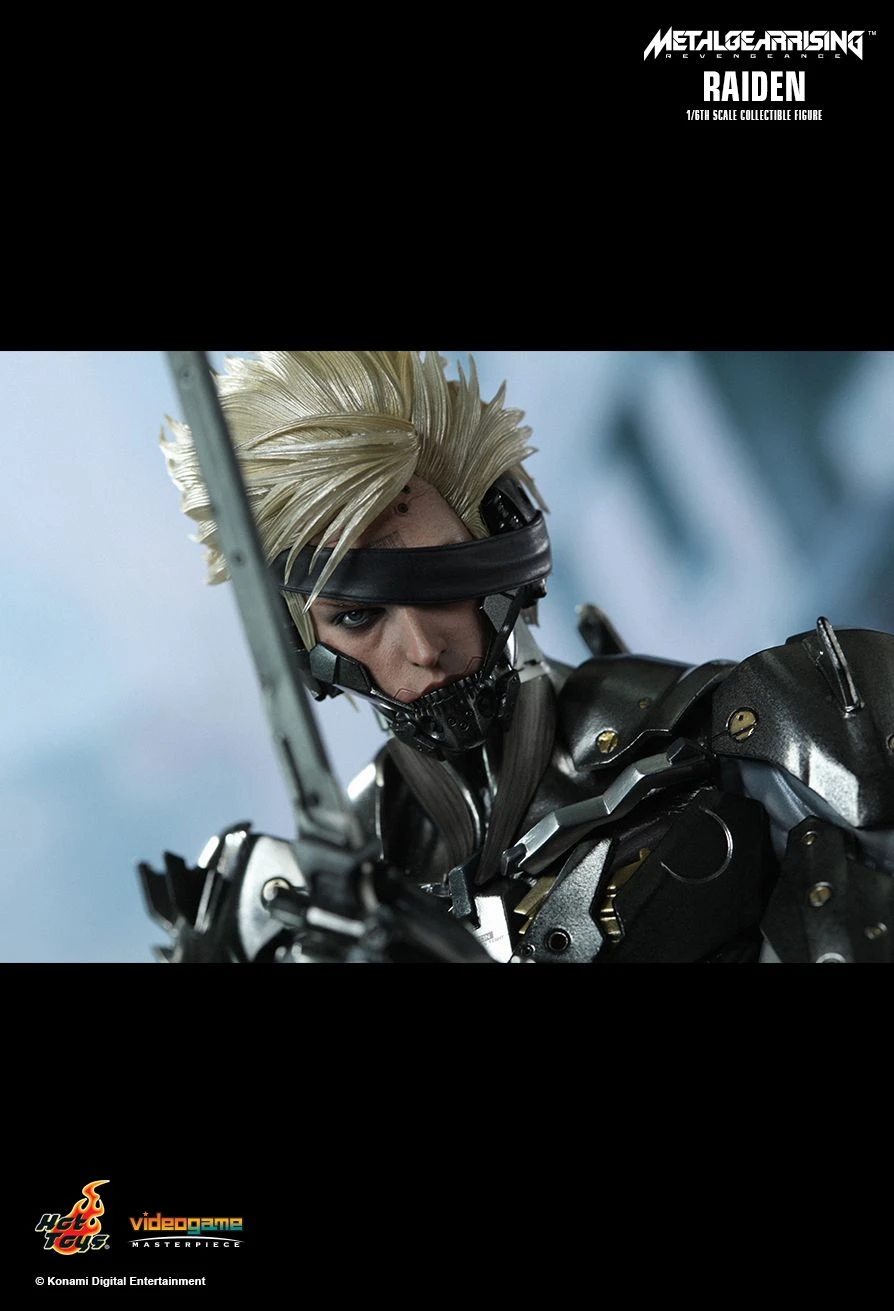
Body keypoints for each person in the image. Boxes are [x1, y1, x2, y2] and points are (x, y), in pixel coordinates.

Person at [138, 351, 894, 963]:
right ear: (302, 641)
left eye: (439, 581)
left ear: (503, 535)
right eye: (358, 616)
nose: (423, 648)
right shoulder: (327, 893)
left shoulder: (755, 734)